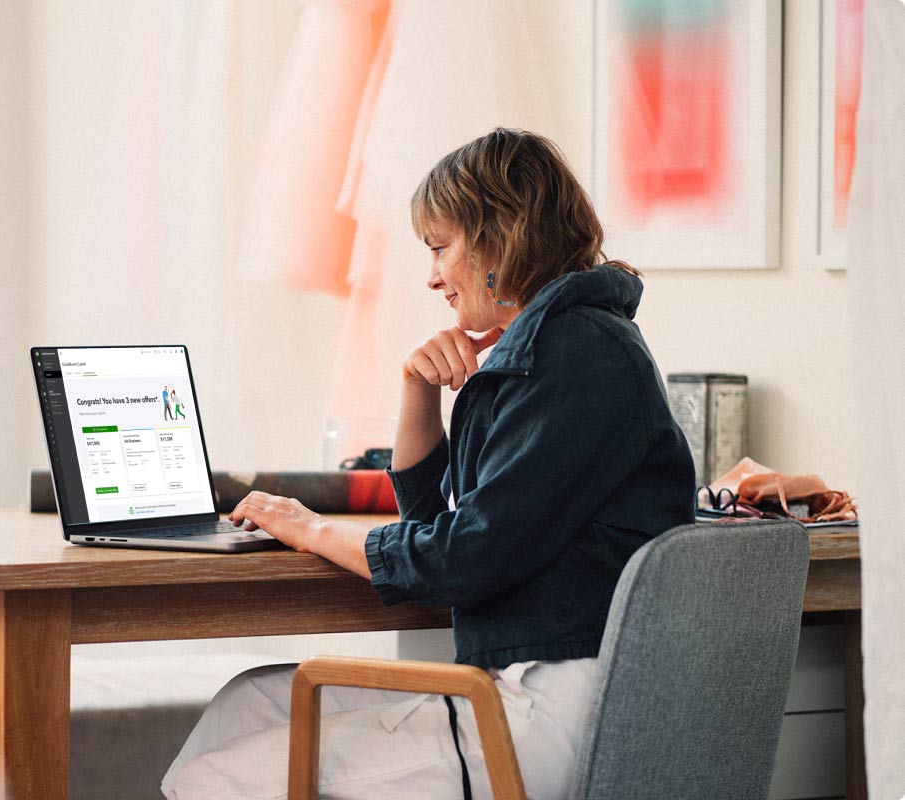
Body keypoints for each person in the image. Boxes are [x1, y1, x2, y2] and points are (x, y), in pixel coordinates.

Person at [161, 128, 696, 799]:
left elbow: (459, 559)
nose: (432, 275)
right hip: (515, 683)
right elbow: (437, 522)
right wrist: (416, 390)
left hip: (548, 705)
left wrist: (311, 526)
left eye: (441, 247)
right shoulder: (543, 349)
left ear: (498, 237)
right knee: (249, 700)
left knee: (219, 780)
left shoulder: (574, 355)